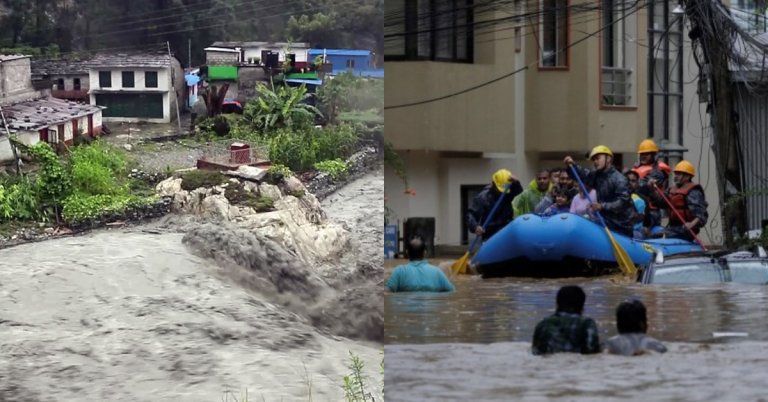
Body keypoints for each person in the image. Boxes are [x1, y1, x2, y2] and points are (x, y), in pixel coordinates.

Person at [564, 145, 634, 237]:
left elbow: (622, 202)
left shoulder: (620, 179)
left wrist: (602, 206)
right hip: (605, 221)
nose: (595, 162)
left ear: (608, 159)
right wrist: (572, 166)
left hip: (621, 225)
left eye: (597, 158)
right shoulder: (597, 175)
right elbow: (583, 175)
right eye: (593, 160)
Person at [532, 285, 601, 355]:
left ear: (557, 303)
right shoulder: (586, 323)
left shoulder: (543, 323)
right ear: (582, 305)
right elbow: (592, 352)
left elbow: (535, 352)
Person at [651, 160, 708, 241]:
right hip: (672, 227)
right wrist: (653, 190)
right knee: (654, 236)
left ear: (688, 176)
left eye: (679, 174)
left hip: (686, 229)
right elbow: (662, 203)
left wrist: (691, 224)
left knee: (666, 236)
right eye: (676, 173)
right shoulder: (672, 189)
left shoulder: (693, 192)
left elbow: (701, 214)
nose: (676, 176)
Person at [466, 169, 524, 241]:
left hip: (507, 231)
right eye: (499, 190)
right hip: (490, 235)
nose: (501, 193)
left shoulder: (508, 193)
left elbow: (519, 194)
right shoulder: (483, 197)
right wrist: (475, 227)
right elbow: (471, 214)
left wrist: (516, 183)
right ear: (493, 184)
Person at [387, 237, 455, 292]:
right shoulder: (437, 272)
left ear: (407, 253)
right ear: (424, 253)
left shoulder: (399, 271)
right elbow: (451, 291)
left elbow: (387, 291)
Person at [632, 139, 672, 230]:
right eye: (642, 154)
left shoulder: (659, 171)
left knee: (638, 228)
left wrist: (631, 183)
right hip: (635, 208)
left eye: (647, 154)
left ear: (654, 155)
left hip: (651, 211)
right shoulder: (637, 169)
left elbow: (644, 187)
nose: (643, 156)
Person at [626, 170, 648, 239]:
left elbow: (646, 220)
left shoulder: (641, 199)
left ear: (637, 183)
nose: (630, 183)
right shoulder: (618, 196)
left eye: (633, 181)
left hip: (636, 232)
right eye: (628, 180)